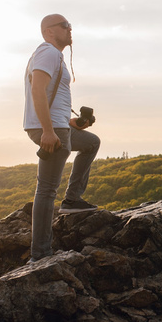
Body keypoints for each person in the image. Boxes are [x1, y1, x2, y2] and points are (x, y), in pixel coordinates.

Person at [23, 14, 100, 262]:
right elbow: (37, 89)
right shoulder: (47, 51)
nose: (70, 29)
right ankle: (41, 254)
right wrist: (47, 130)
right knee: (46, 190)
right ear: (49, 32)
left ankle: (72, 200)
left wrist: (74, 123)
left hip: (58, 127)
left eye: (70, 26)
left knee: (90, 142)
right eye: (64, 26)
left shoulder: (56, 56)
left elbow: (51, 98)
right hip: (51, 130)